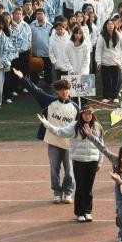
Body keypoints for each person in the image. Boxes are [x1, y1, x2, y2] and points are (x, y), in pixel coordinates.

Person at [11, 68, 76, 203]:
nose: (64, 92)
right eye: (61, 90)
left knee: (69, 171)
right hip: (53, 142)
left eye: (66, 89)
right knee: (54, 169)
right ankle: (57, 192)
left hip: (69, 144)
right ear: (57, 91)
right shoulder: (49, 101)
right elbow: (36, 90)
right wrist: (22, 77)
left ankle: (68, 192)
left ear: (69, 91)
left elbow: (81, 125)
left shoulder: (75, 107)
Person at [37, 102, 104, 222]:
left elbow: (101, 145)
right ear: (81, 115)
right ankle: (80, 213)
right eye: (85, 114)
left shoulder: (97, 126)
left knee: (88, 188)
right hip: (79, 161)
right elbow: (59, 132)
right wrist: (46, 123)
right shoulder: (75, 126)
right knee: (80, 187)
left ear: (92, 115)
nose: (87, 116)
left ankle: (88, 212)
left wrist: (99, 162)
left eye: (90, 113)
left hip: (93, 161)